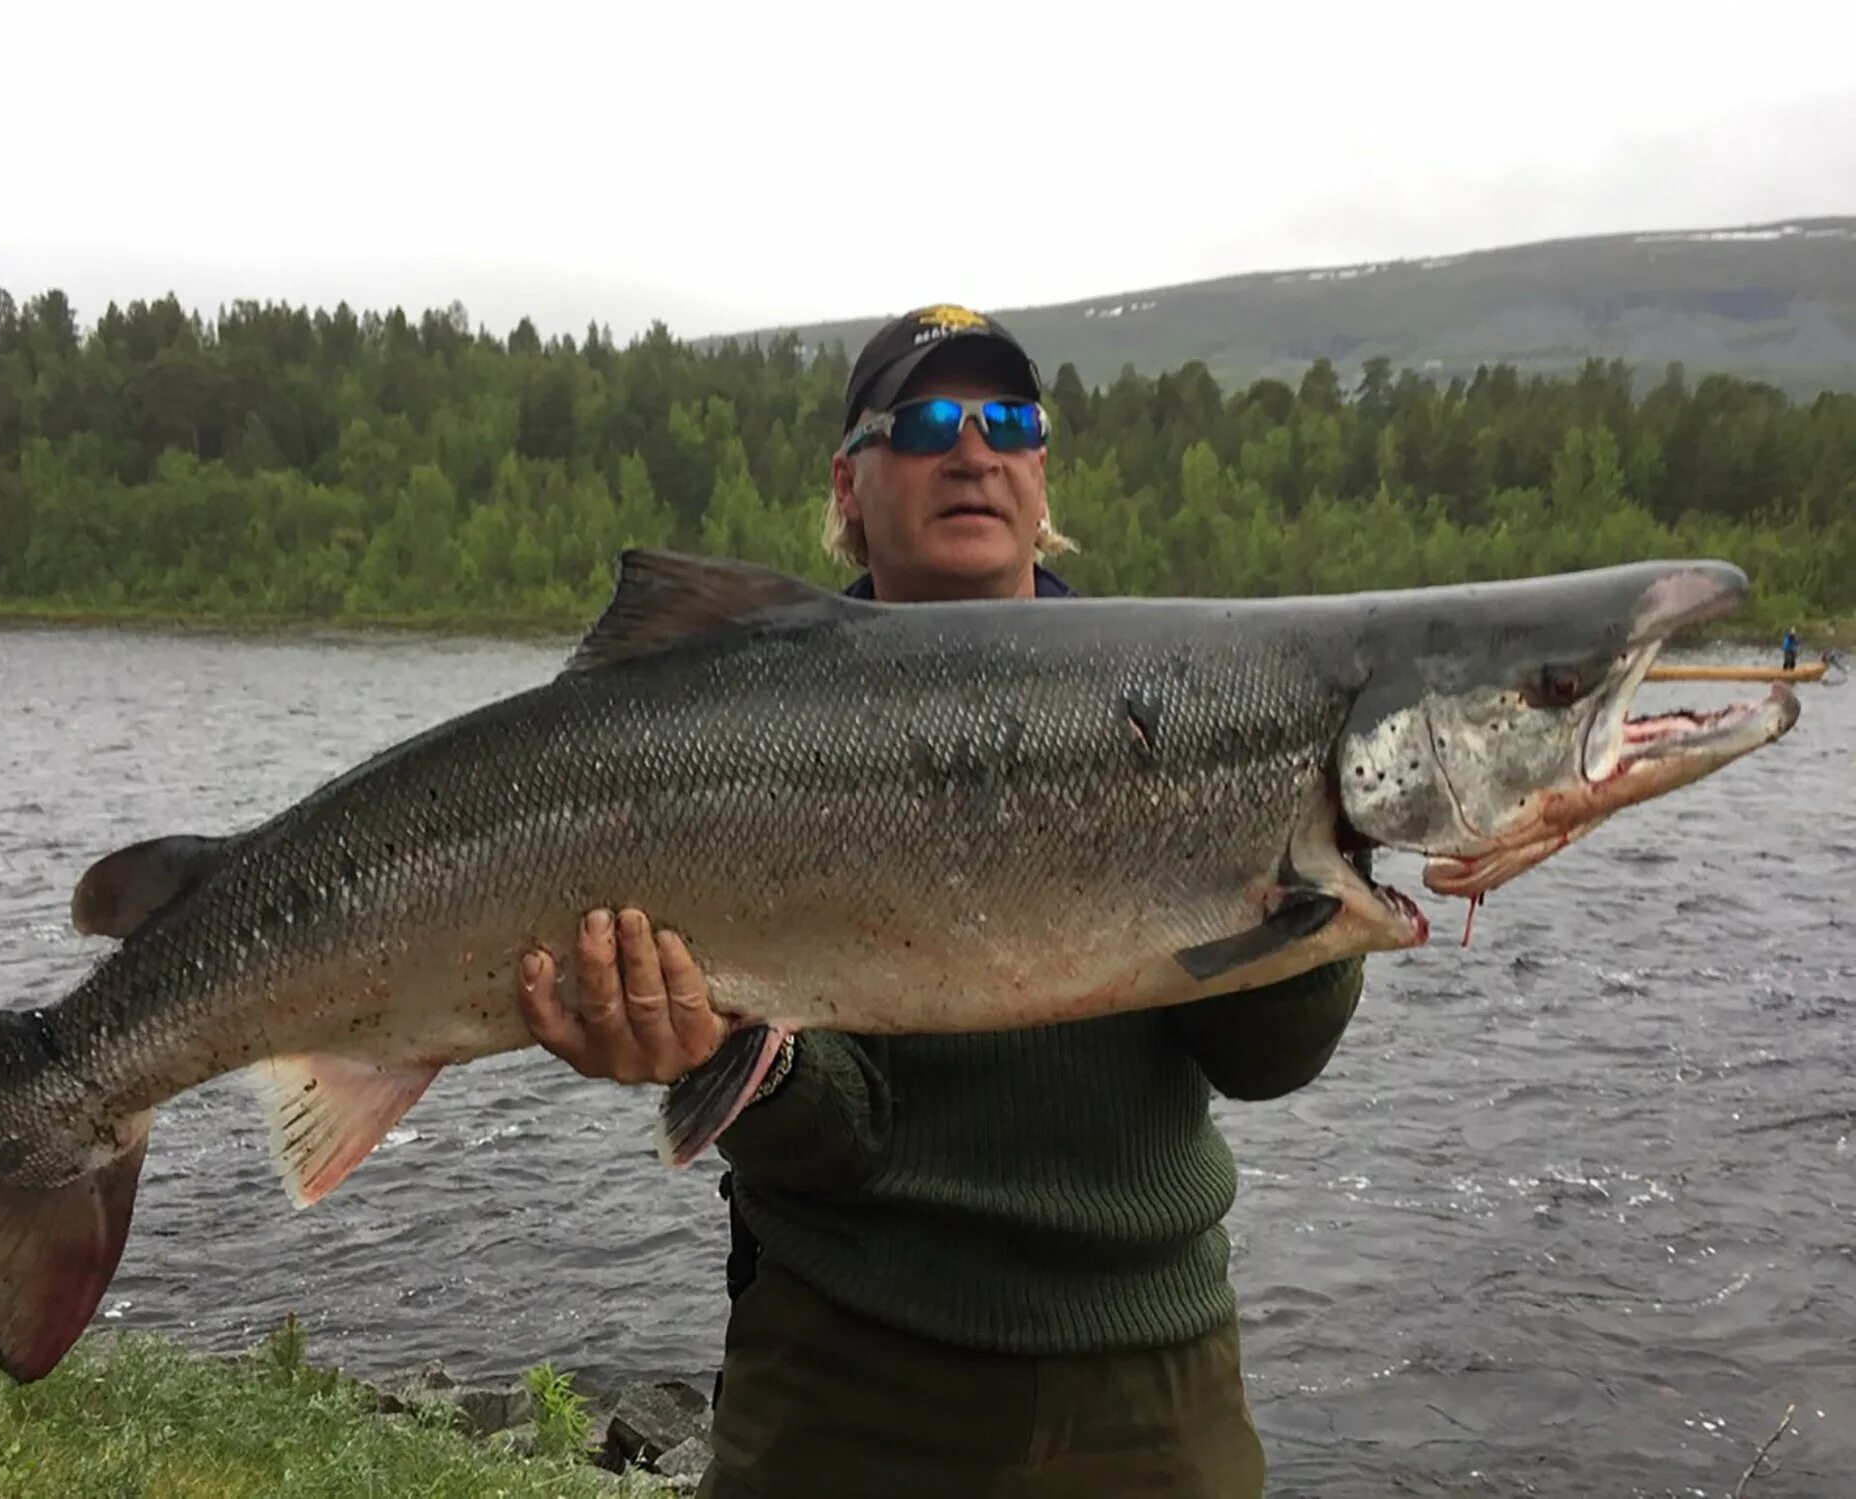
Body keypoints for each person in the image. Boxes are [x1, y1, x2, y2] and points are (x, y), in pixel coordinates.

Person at [517, 305, 1366, 1498]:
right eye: (922, 421)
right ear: (847, 484)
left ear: (1038, 473)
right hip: (844, 1379)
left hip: (1150, 1383)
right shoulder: (750, 728)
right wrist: (723, 1056)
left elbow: (1267, 1056)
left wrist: (1321, 867)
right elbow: (840, 1141)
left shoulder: (1178, 701)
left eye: (1008, 419)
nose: (971, 449)